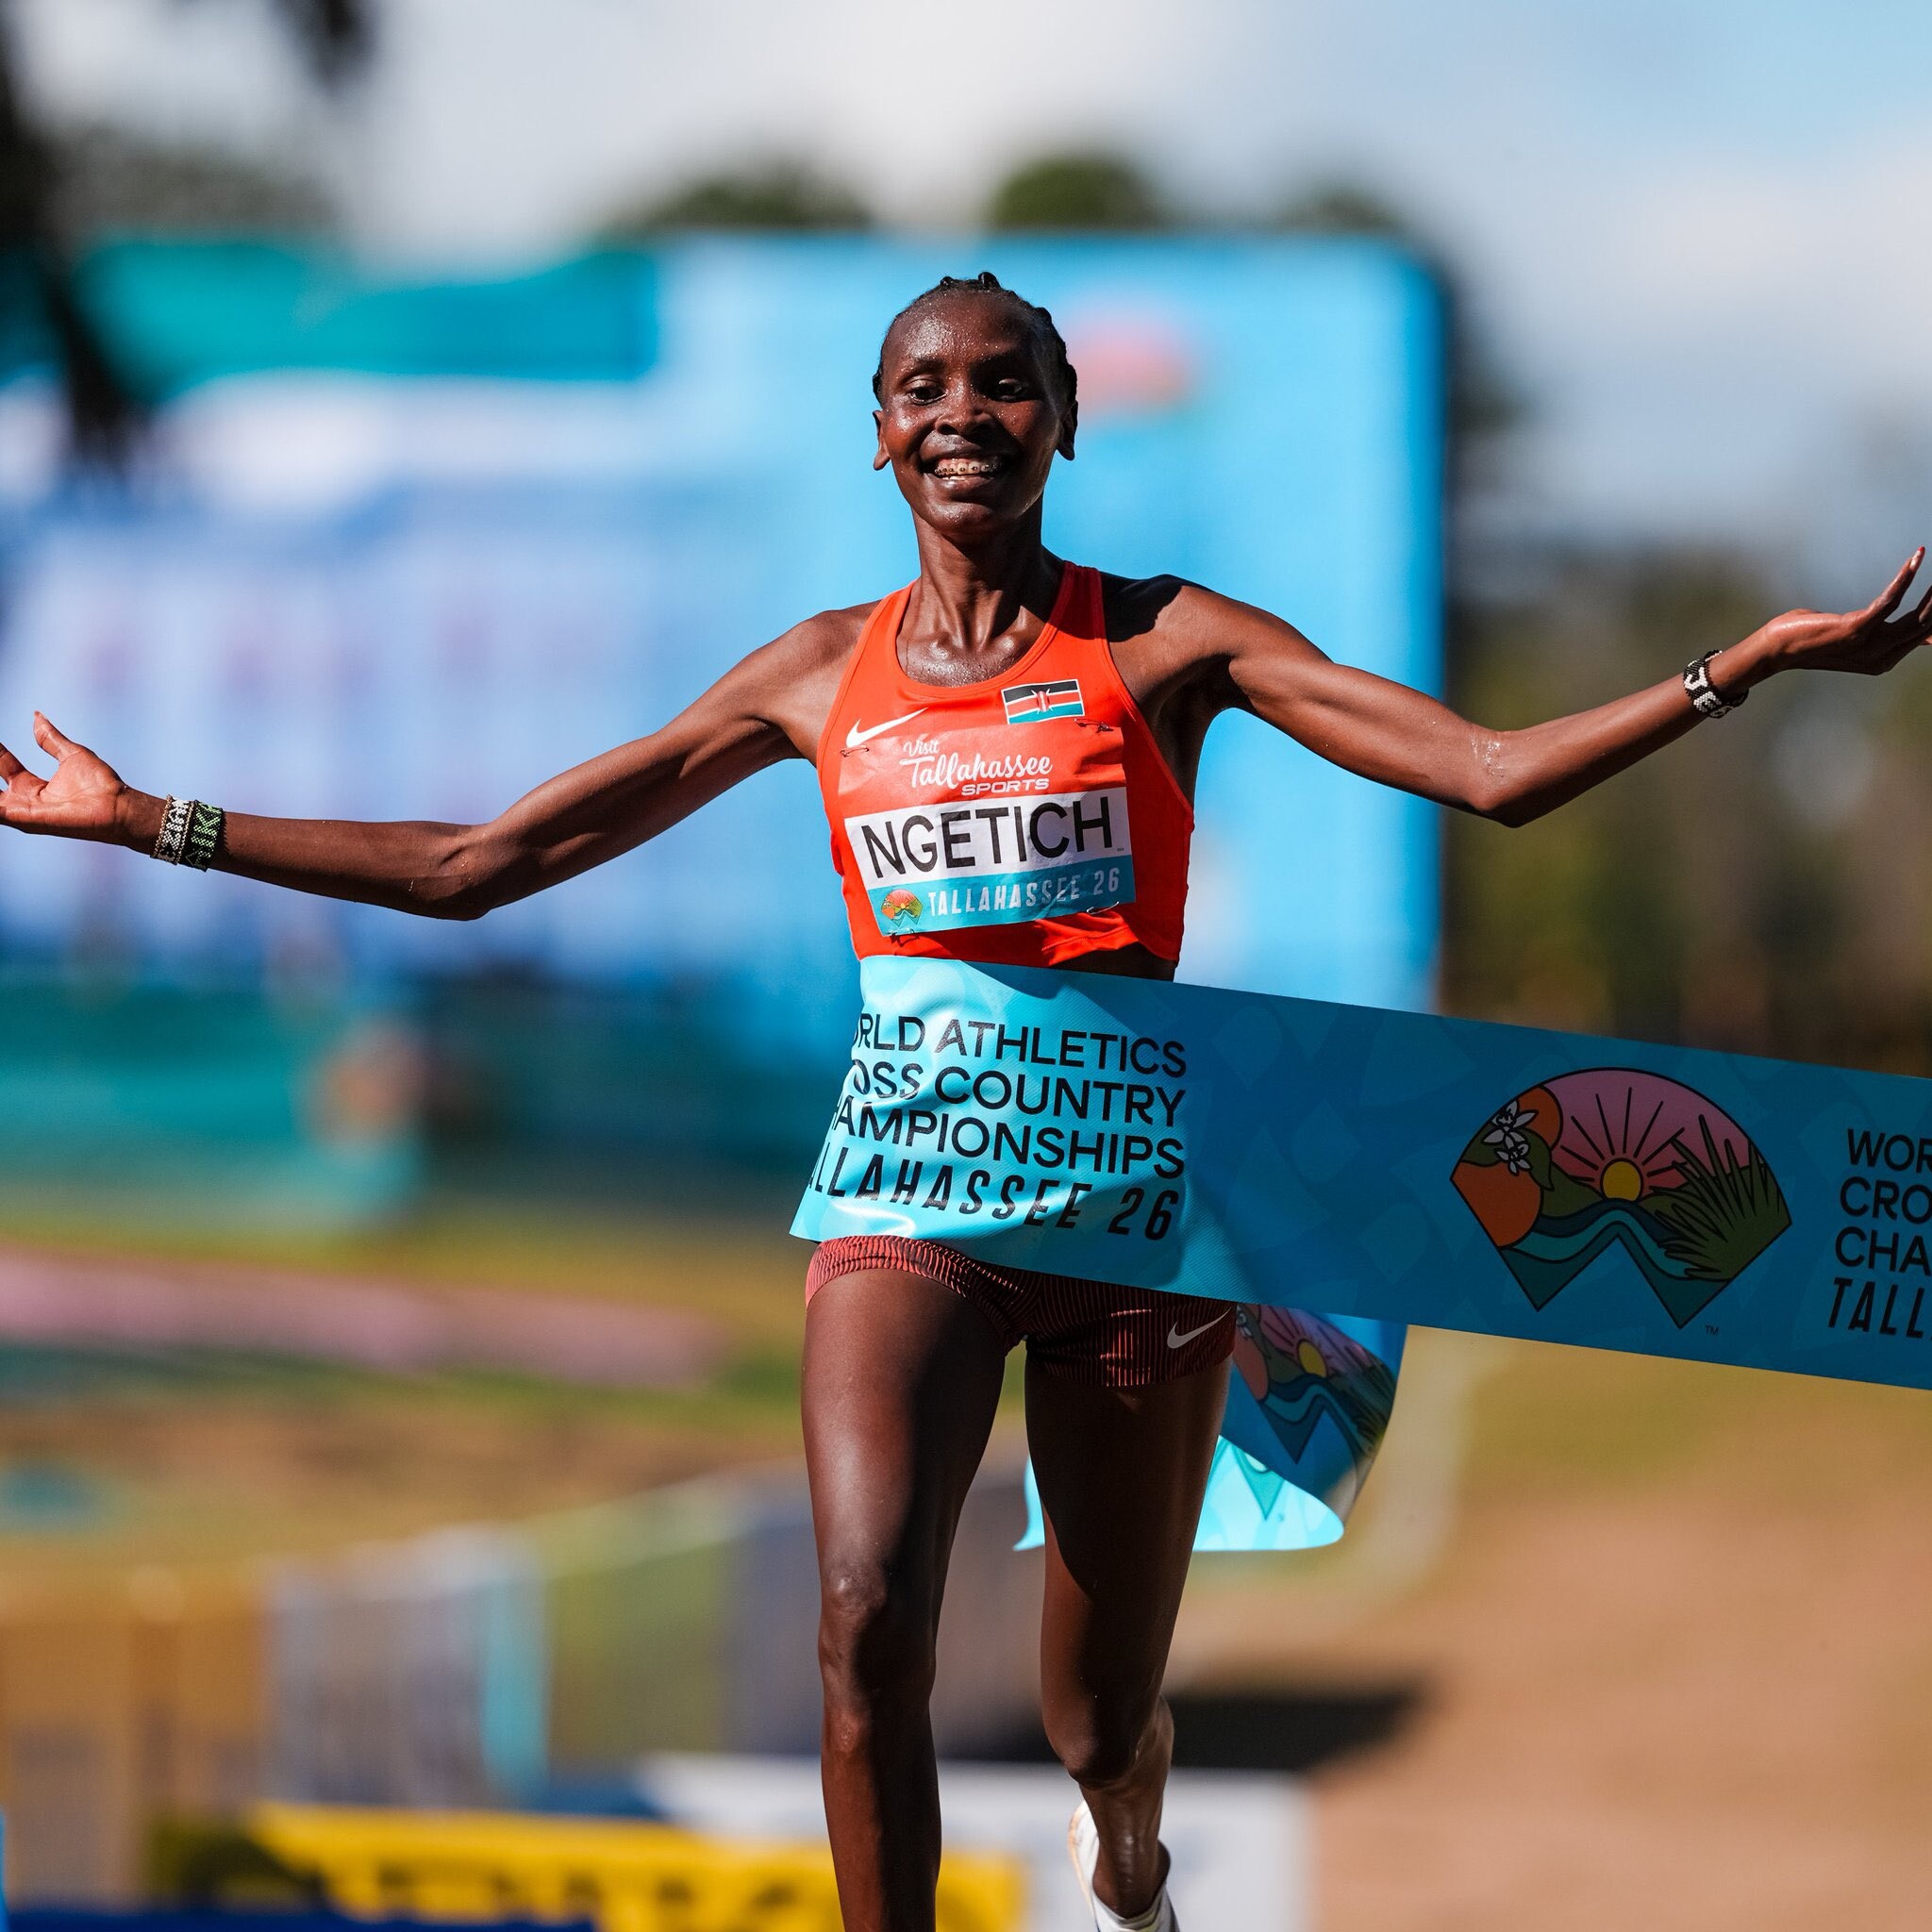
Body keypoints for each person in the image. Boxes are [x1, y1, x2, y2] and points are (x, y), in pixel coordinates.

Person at [2, 270, 1927, 1932]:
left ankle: (1129, 1836)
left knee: (1097, 1715)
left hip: (1140, 1230)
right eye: (922, 386)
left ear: (1064, 419)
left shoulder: (1168, 638)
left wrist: (1739, 668)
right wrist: (156, 819)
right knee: (865, 1619)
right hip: (909, 1204)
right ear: (878, 437)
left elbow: (1488, 772)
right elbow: (480, 862)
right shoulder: (813, 676)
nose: (963, 413)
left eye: (1004, 382)